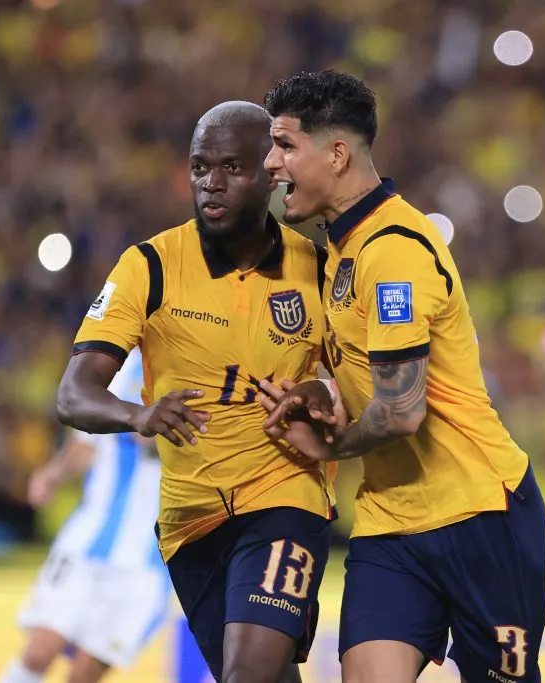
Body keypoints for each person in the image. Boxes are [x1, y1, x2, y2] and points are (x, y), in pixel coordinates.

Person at [258, 70, 545, 683]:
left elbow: (400, 410)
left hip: (481, 514)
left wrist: (333, 443)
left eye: (285, 145)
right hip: (390, 522)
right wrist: (323, 390)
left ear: (337, 154)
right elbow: (369, 372)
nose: (270, 162)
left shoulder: (394, 249)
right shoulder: (343, 248)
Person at [55, 101, 335, 683]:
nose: (211, 182)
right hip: (190, 521)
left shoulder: (319, 269)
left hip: (286, 499)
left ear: (271, 172)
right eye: (200, 166)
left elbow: (359, 381)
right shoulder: (149, 266)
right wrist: (138, 414)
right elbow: (74, 394)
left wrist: (321, 390)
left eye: (232, 167)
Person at [0, 348, 169, 683]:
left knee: (83, 676)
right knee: (37, 653)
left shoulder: (203, 364)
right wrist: (53, 473)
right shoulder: (114, 364)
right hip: (86, 541)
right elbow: (85, 443)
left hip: (147, 562)